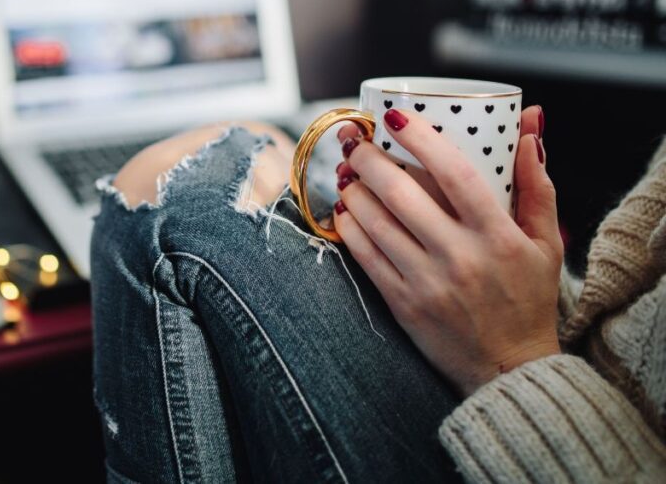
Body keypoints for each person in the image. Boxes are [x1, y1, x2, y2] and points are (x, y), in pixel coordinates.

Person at [89, 105, 666, 483]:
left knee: (165, 202)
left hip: (544, 426)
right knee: (261, 139)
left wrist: (511, 356)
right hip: (558, 366)